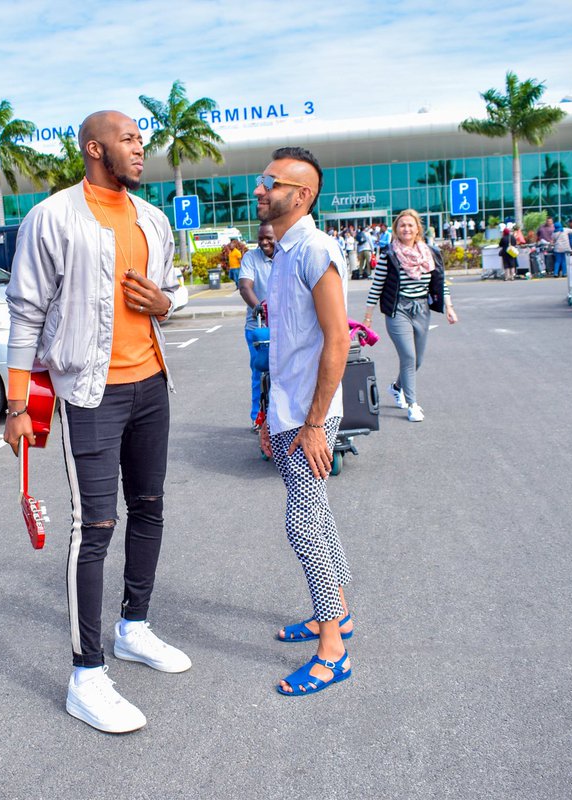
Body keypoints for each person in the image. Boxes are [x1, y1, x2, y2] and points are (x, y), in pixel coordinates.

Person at [3, 110, 189, 734]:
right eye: (128, 139)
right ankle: (86, 675)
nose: (140, 148)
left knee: (150, 508)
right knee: (95, 526)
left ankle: (134, 627)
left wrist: (166, 302)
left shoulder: (153, 218)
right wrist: (18, 406)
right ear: (94, 148)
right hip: (90, 394)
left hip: (152, 385)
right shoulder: (52, 217)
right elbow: (26, 312)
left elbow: (173, 290)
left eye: (141, 139)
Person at [253, 146, 354, 696]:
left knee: (304, 524)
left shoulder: (315, 250)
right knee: (315, 517)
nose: (260, 189)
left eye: (273, 182)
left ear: (302, 196)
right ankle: (335, 613)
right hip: (290, 409)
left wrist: (313, 423)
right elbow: (287, 345)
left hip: (310, 415)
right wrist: (268, 413)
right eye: (262, 179)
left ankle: (333, 652)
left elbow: (338, 340)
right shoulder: (284, 251)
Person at [362, 208, 459, 422]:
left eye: (410, 225)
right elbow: (376, 287)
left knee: (417, 361)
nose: (406, 229)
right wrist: (368, 318)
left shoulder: (430, 253)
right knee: (408, 356)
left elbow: (440, 283)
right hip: (398, 310)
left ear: (417, 229)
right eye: (402, 225)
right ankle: (412, 405)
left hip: (422, 310)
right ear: (396, 229)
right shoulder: (389, 254)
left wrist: (449, 307)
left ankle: (397, 387)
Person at [239, 223, 275, 430]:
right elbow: (245, 287)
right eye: (261, 238)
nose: (264, 242)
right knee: (260, 372)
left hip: (285, 326)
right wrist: (258, 307)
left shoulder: (285, 256)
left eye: (269, 238)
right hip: (258, 327)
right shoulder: (251, 258)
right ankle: (258, 417)